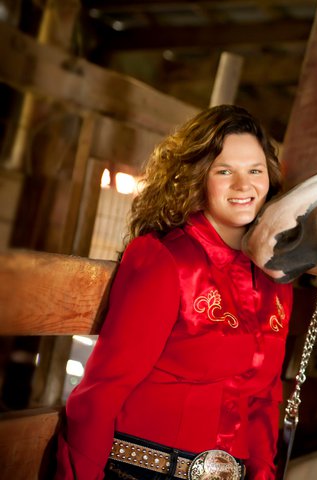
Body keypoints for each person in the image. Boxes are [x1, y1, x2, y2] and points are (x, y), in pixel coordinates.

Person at [55, 105, 292, 480]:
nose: (243, 186)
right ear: (200, 177)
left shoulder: (274, 280)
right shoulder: (165, 258)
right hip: (143, 469)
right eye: (225, 171)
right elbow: (103, 389)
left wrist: (263, 474)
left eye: (255, 171)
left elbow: (265, 399)